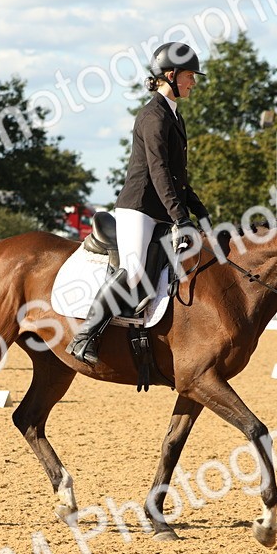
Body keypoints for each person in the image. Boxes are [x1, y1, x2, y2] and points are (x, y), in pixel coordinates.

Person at [67, 41, 212, 365]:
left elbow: (177, 175)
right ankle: (85, 335)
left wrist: (198, 209)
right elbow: (159, 171)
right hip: (139, 208)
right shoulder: (153, 116)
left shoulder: (175, 116)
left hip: (160, 208)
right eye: (190, 76)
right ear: (171, 75)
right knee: (132, 271)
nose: (194, 82)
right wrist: (180, 217)